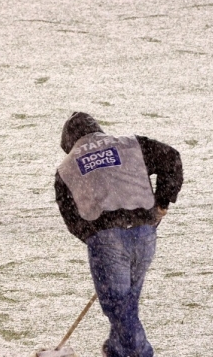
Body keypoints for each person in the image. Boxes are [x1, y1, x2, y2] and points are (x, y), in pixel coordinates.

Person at [54, 112, 183, 357]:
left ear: (68, 142)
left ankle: (141, 353)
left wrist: (94, 237)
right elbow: (171, 158)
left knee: (118, 304)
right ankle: (116, 349)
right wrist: (162, 202)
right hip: (145, 232)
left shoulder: (67, 167)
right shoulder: (131, 144)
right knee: (127, 302)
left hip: (105, 237)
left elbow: (70, 214)